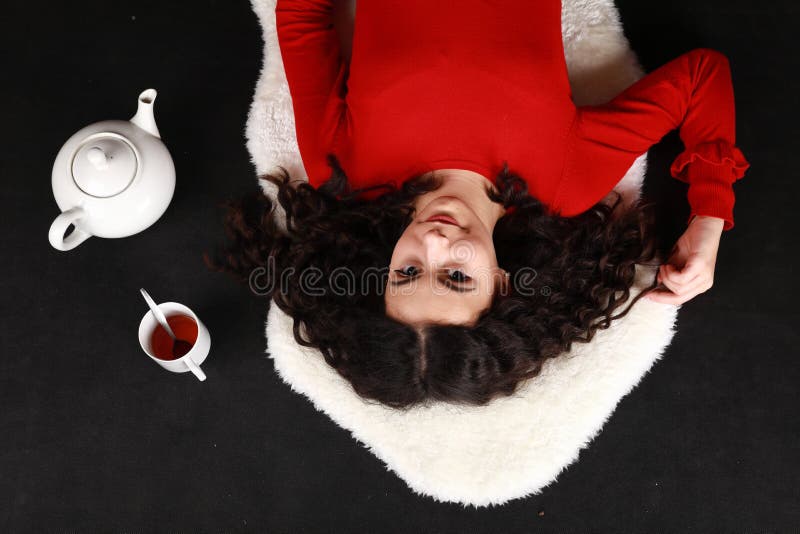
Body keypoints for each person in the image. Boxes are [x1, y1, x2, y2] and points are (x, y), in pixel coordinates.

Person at [208, 0, 750, 409]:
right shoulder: (568, 180)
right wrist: (708, 217)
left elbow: (302, 17)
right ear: (504, 282)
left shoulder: (342, 169)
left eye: (410, 270)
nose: (437, 243)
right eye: (458, 278)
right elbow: (703, 76)